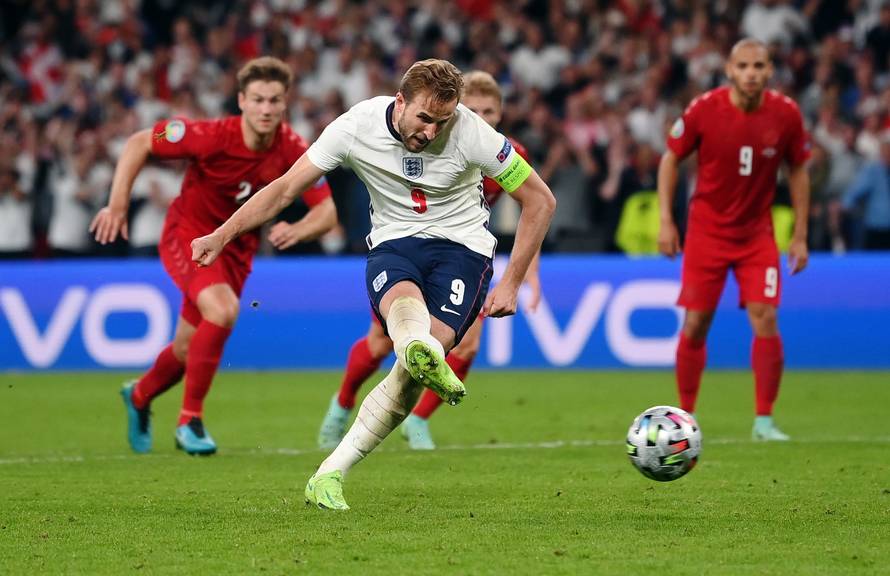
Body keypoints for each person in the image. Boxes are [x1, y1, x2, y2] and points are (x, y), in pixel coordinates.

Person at [191, 59, 556, 509]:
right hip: (394, 242)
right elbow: (286, 190)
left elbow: (540, 200)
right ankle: (419, 349)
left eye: (442, 121)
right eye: (424, 118)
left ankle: (330, 472)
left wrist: (513, 283)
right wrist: (222, 233)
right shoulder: (355, 126)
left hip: (463, 250)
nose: (431, 131)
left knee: (411, 371)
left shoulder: (474, 132)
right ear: (399, 102)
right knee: (413, 333)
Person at [90, 57, 336, 456]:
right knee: (221, 311)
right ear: (241, 100)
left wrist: (299, 228)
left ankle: (139, 394)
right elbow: (138, 143)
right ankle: (190, 420)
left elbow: (327, 213)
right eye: (257, 99)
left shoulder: (293, 148)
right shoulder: (209, 136)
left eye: (274, 100)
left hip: (236, 252)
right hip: (189, 237)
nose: (266, 109)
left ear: (285, 103)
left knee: (189, 348)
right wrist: (117, 205)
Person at [316, 71, 542, 452]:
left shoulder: (505, 152)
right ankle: (342, 403)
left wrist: (523, 275)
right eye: (476, 109)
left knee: (464, 346)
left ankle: (418, 420)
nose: (482, 117)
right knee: (380, 344)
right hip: (408, 250)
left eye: (490, 111)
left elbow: (534, 208)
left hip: (460, 256)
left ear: (501, 114)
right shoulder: (433, 139)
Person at [657, 39, 811, 441]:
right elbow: (670, 158)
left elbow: (798, 170)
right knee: (696, 324)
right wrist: (665, 220)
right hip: (707, 231)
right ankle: (684, 419)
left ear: (770, 70)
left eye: (759, 65)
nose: (751, 73)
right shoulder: (704, 109)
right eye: (743, 66)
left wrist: (800, 235)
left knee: (766, 316)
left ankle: (764, 420)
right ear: (729, 69)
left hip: (756, 234)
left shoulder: (786, 114)